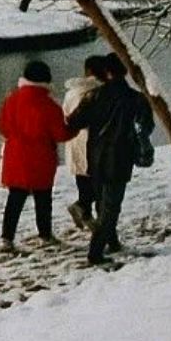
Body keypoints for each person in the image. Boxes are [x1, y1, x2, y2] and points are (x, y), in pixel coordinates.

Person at [64, 52, 154, 265]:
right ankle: (95, 253)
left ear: (106, 72)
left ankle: (111, 242)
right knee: (111, 207)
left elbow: (74, 122)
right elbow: (146, 126)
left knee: (102, 202)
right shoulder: (136, 98)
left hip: (94, 156)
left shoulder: (94, 95)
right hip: (121, 156)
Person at [0, 59, 70, 250]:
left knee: (15, 199)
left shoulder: (11, 99)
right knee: (43, 198)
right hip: (41, 158)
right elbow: (61, 134)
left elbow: (2, 126)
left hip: (16, 156)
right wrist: (75, 127)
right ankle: (45, 234)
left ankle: (7, 237)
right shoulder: (49, 105)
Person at [61, 55, 106, 232]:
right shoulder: (100, 92)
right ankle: (86, 210)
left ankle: (85, 214)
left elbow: (65, 115)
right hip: (94, 142)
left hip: (74, 141)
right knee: (99, 184)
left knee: (83, 180)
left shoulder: (71, 93)